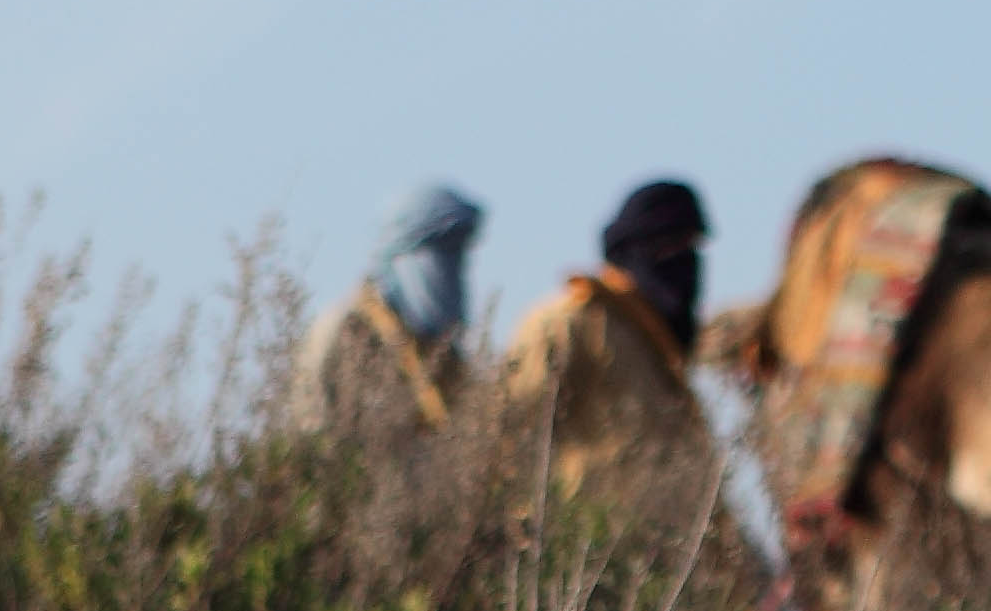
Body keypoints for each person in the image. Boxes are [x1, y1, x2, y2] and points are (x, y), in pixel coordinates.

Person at [502, 179, 727, 525]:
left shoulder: (658, 351)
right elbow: (512, 435)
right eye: (668, 245)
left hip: (663, 547)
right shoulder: (566, 323)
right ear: (634, 247)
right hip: (584, 542)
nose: (683, 261)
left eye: (690, 246)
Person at [293, 181, 483, 437]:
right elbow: (313, 435)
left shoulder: (443, 355)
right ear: (400, 254)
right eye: (440, 253)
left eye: (456, 255)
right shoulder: (343, 332)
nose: (450, 273)